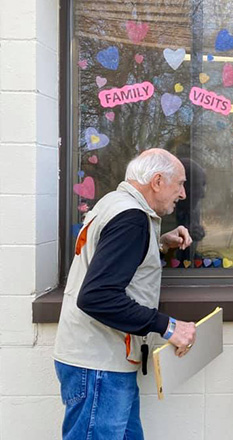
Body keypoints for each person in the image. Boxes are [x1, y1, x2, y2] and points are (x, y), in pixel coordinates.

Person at [53, 149, 198, 440]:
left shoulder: (115, 203)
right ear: (157, 181)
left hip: (102, 361)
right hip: (99, 366)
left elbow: (109, 257)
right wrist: (168, 327)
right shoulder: (131, 219)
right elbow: (97, 296)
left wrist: (156, 243)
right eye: (179, 184)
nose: (182, 193)